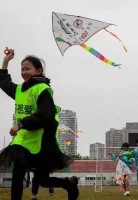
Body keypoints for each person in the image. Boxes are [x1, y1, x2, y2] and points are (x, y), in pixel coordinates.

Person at [0, 48, 79, 200]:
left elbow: (46, 115)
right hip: (23, 142)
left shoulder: (42, 89)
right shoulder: (19, 90)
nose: (23, 72)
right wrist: (5, 61)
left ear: (38, 70)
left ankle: (69, 183)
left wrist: (21, 124)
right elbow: (4, 82)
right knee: (17, 173)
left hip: (41, 143)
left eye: (27, 69)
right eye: (22, 69)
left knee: (42, 180)